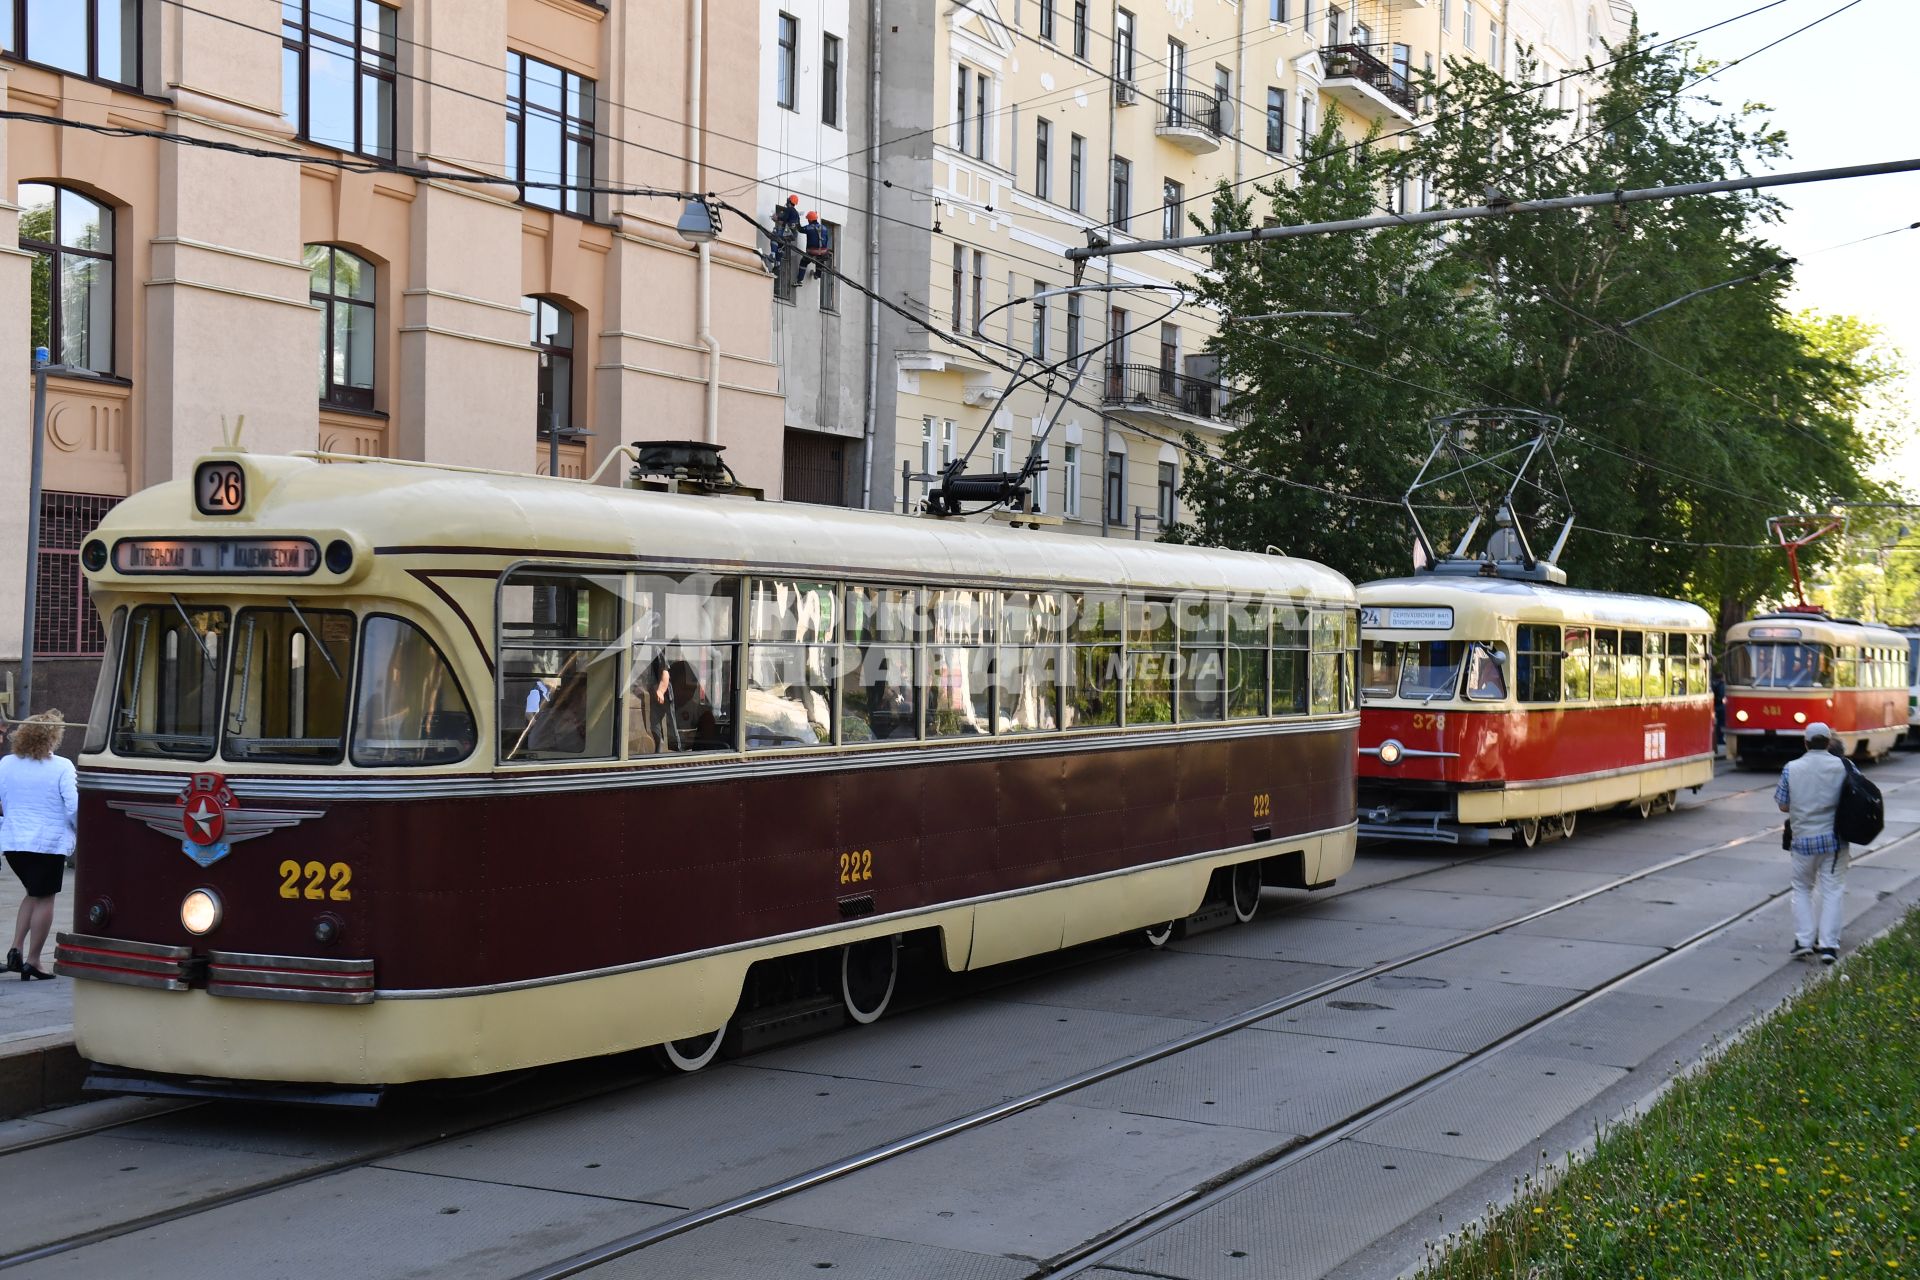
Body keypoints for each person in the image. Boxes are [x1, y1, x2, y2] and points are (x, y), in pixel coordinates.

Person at [2, 710, 78, 981]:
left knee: (32, 894)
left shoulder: (6, 764)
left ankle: (15, 949)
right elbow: (73, 807)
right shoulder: (62, 766)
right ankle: (34, 960)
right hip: (47, 843)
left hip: (13, 843)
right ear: (53, 737)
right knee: (45, 898)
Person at [1775, 721, 1850, 965]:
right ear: (1829, 743)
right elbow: (1857, 796)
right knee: (1832, 890)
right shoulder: (1843, 766)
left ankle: (1803, 942)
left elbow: (1783, 804)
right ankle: (1828, 946)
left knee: (1802, 889)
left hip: (1802, 841)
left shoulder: (1791, 768)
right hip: (1833, 840)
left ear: (1805, 743)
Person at [799, 210, 833, 281]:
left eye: (808, 219)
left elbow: (800, 229)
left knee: (803, 262)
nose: (808, 221)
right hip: (823, 251)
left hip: (812, 251)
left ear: (810, 220)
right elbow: (826, 239)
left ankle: (800, 280)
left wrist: (797, 220)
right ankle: (817, 274)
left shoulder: (809, 227)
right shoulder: (824, 228)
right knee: (820, 260)